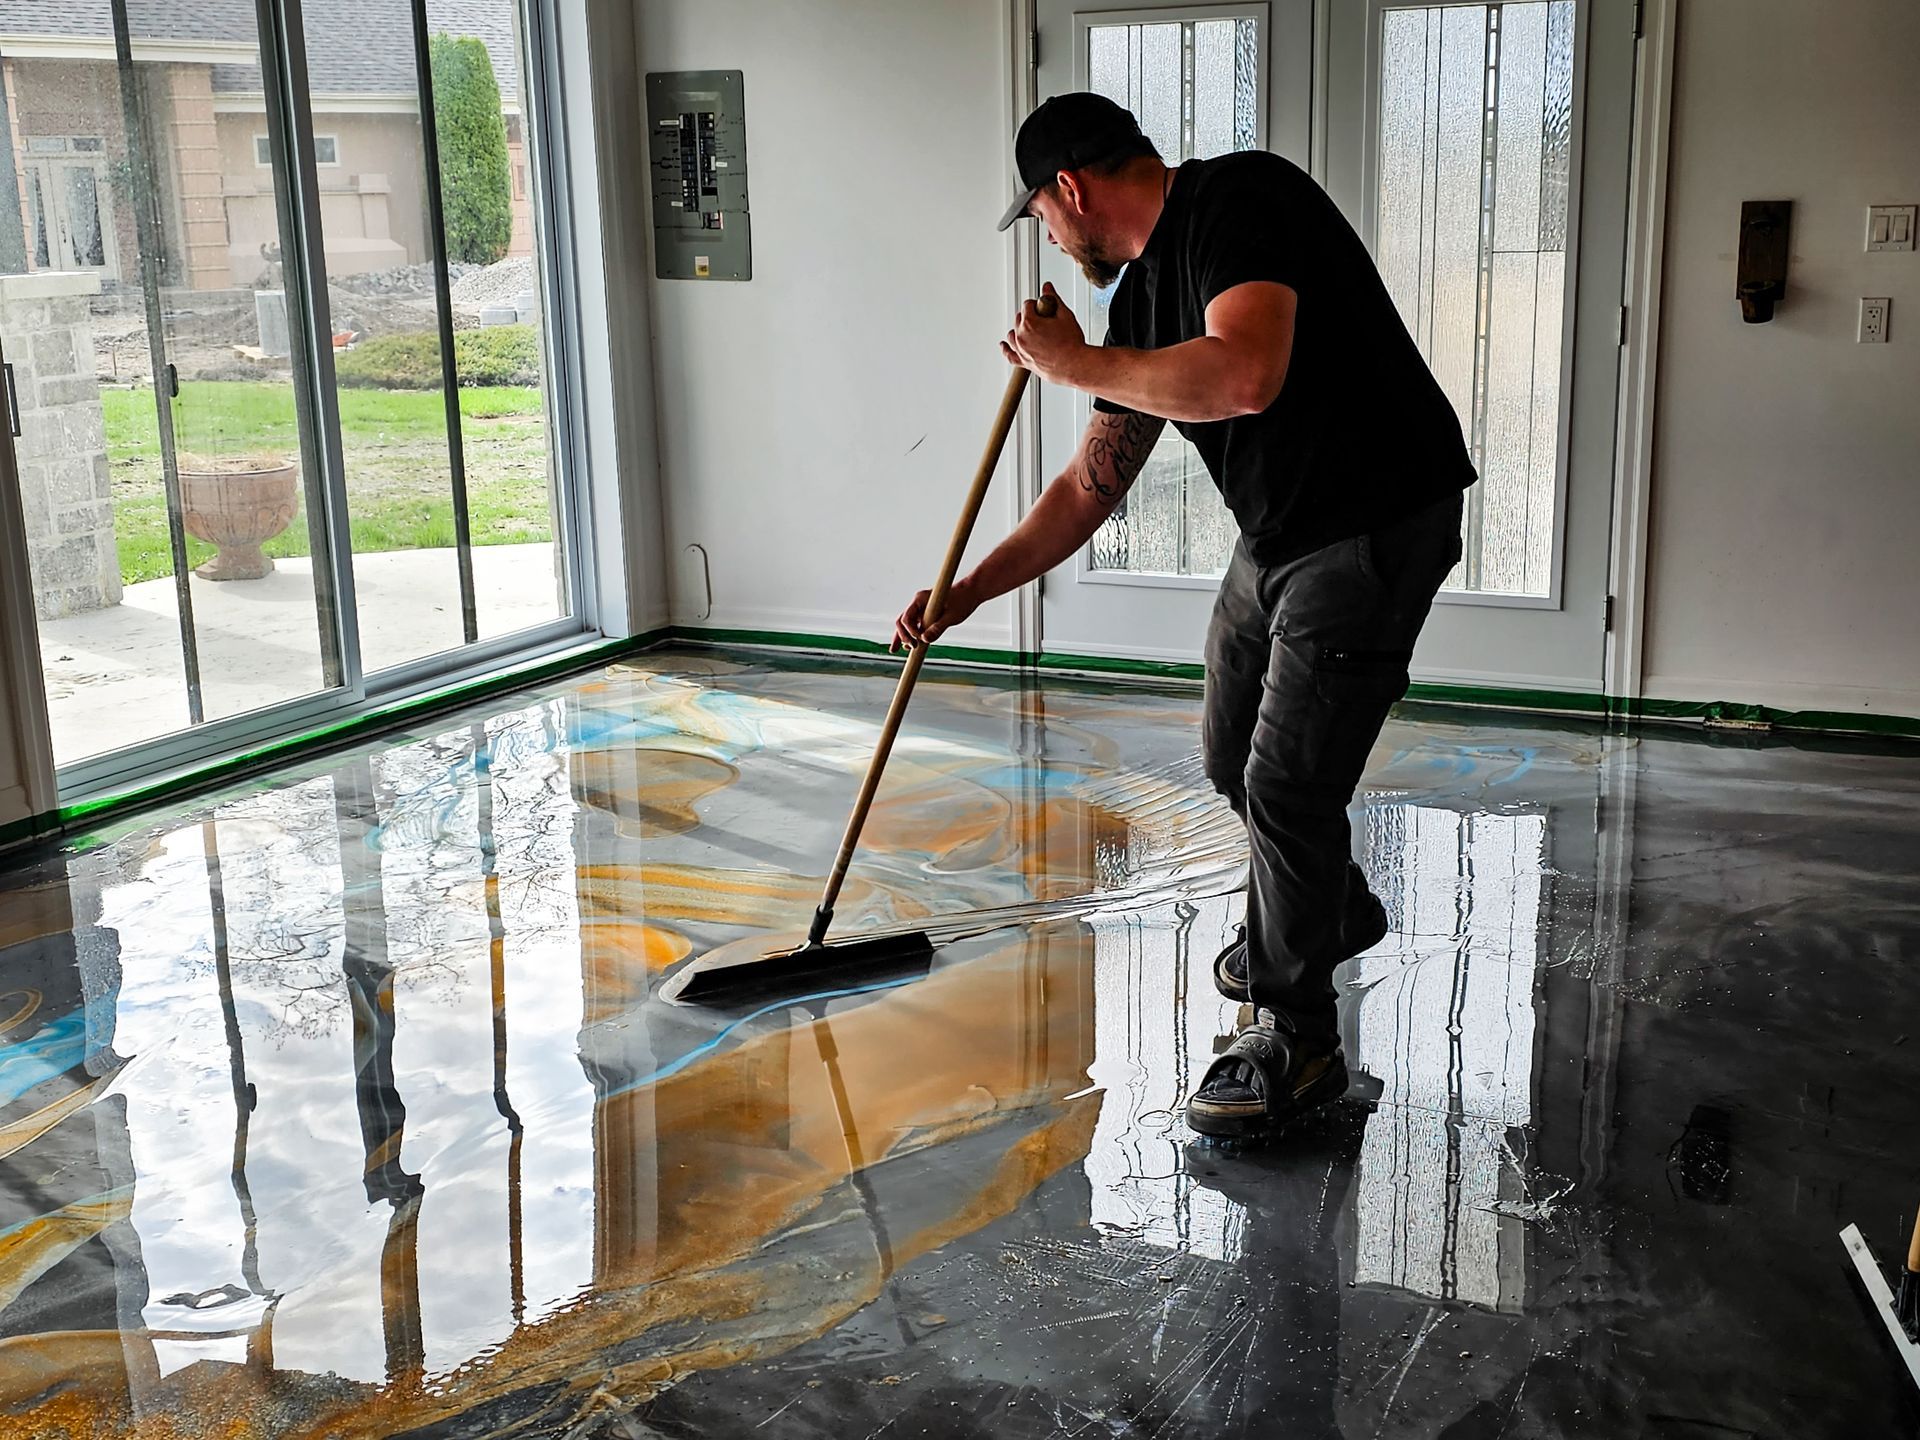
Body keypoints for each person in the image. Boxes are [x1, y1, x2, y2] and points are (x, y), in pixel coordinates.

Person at [892, 92, 1477, 1142]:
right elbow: (1088, 488)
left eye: (1039, 215)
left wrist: (1068, 365)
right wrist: (966, 593)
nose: (1049, 237)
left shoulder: (1240, 200)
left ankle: (1297, 1042)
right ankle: (1329, 910)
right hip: (1284, 535)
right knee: (1226, 756)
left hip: (1374, 522)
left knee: (1287, 785)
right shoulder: (1143, 300)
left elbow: (1245, 374)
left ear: (1068, 190)